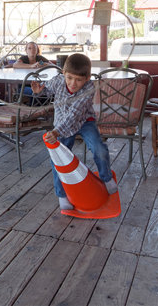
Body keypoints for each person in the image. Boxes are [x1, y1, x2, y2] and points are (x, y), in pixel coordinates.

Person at [30, 53, 117, 211]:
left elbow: (74, 115)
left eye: (78, 80)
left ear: (88, 78)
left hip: (83, 121)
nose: (73, 83)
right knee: (58, 159)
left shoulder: (89, 88)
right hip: (61, 122)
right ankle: (62, 194)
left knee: (98, 147)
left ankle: (106, 177)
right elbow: (47, 89)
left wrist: (56, 132)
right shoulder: (58, 80)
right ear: (63, 73)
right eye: (69, 77)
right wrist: (39, 91)